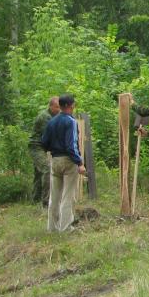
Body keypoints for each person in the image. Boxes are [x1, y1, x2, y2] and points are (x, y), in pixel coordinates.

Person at [40, 93, 86, 233]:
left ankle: (52, 227)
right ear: (69, 106)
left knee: (54, 196)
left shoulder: (51, 121)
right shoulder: (70, 121)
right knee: (67, 195)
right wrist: (79, 162)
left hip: (54, 160)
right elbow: (71, 145)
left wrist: (52, 150)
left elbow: (44, 142)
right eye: (73, 105)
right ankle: (65, 227)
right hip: (68, 160)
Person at [28, 96, 60, 206]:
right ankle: (46, 202)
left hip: (42, 147)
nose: (58, 109)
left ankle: (35, 199)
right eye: (56, 107)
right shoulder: (45, 117)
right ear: (50, 106)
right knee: (47, 169)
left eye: (60, 107)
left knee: (38, 173)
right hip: (36, 147)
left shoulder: (54, 116)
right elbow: (50, 135)